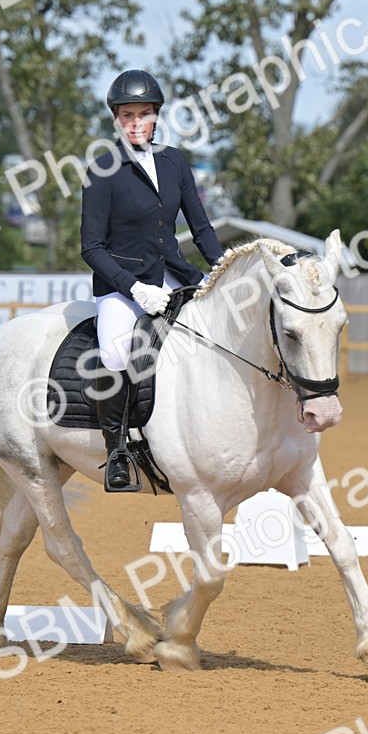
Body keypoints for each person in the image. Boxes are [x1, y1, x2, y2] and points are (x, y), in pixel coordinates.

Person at [80, 68, 224, 491]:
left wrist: (221, 266)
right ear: (115, 118)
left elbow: (200, 227)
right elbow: (91, 248)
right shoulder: (101, 169)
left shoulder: (174, 160)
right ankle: (118, 450)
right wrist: (135, 288)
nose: (137, 122)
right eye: (128, 115)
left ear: (157, 116)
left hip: (176, 275)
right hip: (124, 286)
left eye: (145, 113)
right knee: (115, 353)